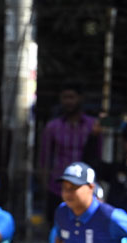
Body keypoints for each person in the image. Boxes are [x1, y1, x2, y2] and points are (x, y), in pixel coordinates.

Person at [38, 83, 99, 226]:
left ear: (80, 98)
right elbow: (44, 158)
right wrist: (44, 183)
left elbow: (98, 155)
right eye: (64, 97)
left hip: (85, 186)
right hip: (57, 187)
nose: (68, 102)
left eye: (71, 97)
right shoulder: (53, 127)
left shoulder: (93, 126)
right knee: (57, 226)